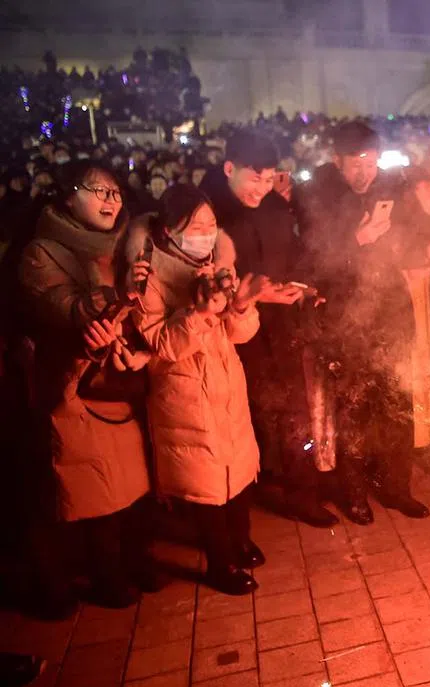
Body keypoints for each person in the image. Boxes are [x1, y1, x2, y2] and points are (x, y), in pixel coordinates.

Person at [128, 185, 282, 596]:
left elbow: (238, 334)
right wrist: (198, 313)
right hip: (184, 395)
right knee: (207, 484)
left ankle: (240, 539)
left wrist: (243, 305)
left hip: (226, 385)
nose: (204, 234)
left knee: (238, 471)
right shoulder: (148, 277)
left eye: (210, 225)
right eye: (194, 226)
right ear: (169, 229)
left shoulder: (218, 266)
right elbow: (162, 345)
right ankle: (220, 561)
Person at [18, 160, 153, 611]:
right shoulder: (43, 250)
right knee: (82, 484)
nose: (111, 201)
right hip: (70, 383)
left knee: (118, 478)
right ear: (67, 196)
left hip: (112, 379)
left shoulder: (119, 246)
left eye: (116, 192)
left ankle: (118, 567)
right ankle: (69, 581)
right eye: (98, 191)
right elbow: (60, 305)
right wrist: (110, 299)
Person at [296, 120, 430, 521]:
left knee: (395, 403)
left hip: (389, 311)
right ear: (337, 162)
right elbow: (312, 264)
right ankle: (353, 491)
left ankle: (396, 488)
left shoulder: (392, 190)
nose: (363, 171)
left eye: (370, 162)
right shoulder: (318, 198)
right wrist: (358, 240)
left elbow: (410, 240)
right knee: (353, 406)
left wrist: (428, 244)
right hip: (346, 317)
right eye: (355, 163)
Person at [202, 131, 337, 527]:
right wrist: (254, 297)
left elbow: (294, 254)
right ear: (230, 169)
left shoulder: (276, 208)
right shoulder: (208, 215)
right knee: (245, 415)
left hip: (281, 328)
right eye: (253, 178)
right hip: (231, 333)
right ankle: (244, 496)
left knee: (294, 408)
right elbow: (203, 280)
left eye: (268, 179)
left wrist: (302, 285)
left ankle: (302, 492)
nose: (260, 188)